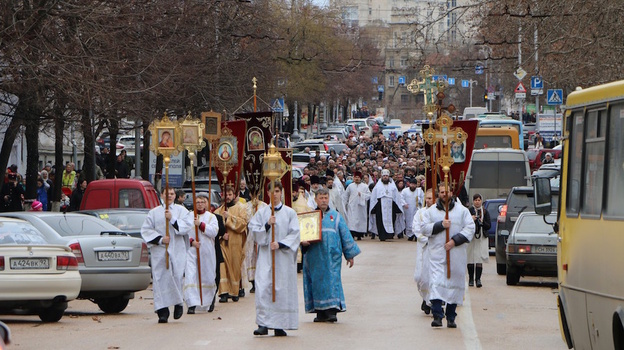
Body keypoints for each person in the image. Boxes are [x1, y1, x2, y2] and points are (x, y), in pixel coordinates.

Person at [248, 181, 300, 337]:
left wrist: (281, 244)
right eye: (272, 191)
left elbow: (295, 233)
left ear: (282, 192)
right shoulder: (262, 213)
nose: (275, 194)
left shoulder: (290, 213)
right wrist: (266, 226)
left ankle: (280, 325)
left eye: (277, 191)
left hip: (282, 258)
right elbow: (253, 231)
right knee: (264, 287)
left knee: (281, 290)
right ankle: (263, 323)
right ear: (268, 193)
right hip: (266, 257)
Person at [302, 188, 360, 323]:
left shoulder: (336, 216)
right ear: (316, 199)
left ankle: (332, 311)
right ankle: (320, 312)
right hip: (314, 257)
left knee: (332, 282)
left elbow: (345, 235)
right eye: (321, 198)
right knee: (316, 283)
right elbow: (302, 236)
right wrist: (303, 243)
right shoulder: (309, 217)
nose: (323, 200)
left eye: (325, 198)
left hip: (332, 257)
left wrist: (349, 254)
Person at [421, 183, 475, 328]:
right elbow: (424, 228)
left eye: (447, 192)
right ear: (438, 194)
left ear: (452, 193)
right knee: (436, 283)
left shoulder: (462, 211)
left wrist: (454, 241)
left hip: (456, 253)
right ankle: (437, 315)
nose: (444, 194)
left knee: (453, 284)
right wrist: (439, 225)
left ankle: (451, 316)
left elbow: (470, 228)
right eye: (442, 192)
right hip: (437, 254)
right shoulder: (431, 211)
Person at [141, 187, 194, 323]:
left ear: (175, 195)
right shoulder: (154, 213)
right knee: (160, 280)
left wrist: (172, 219)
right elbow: (146, 230)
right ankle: (162, 311)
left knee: (176, 276)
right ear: (162, 195)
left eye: (171, 194)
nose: (169, 196)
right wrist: (159, 239)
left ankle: (178, 303)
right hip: (160, 250)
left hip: (177, 249)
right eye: (166, 194)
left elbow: (187, 226)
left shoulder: (182, 211)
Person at [184, 193, 219, 314]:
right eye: (197, 202)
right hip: (192, 250)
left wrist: (201, 225)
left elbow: (214, 231)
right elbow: (184, 232)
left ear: (206, 203)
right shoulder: (188, 216)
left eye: (202, 202)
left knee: (207, 276)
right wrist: (192, 241)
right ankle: (192, 303)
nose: (200, 204)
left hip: (206, 251)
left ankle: (208, 301)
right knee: (190, 275)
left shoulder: (211, 217)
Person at [213, 185, 249, 302]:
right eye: (225, 195)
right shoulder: (218, 210)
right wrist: (221, 234)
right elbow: (214, 228)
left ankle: (234, 291)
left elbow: (243, 224)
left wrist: (229, 218)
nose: (227, 197)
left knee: (234, 266)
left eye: (230, 195)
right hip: (223, 243)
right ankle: (223, 292)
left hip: (236, 242)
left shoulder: (241, 208)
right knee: (222, 265)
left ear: (234, 195)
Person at [368, 169, 405, 241]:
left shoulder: (392, 186)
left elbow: (396, 197)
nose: (385, 177)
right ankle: (382, 236)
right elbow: (373, 198)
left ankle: (390, 235)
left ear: (388, 177)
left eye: (386, 176)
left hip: (391, 205)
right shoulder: (377, 186)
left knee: (391, 219)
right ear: (381, 177)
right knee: (380, 221)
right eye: (384, 176)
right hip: (380, 206)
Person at [413, 188, 434, 315]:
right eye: (427, 198)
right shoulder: (420, 213)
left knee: (433, 276)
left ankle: (431, 301)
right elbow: (416, 228)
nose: (428, 200)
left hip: (436, 249)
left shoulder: (439, 213)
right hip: (423, 248)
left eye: (431, 198)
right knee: (421, 277)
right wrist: (428, 239)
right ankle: (424, 298)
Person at [466, 193, 491, 288]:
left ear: (481, 201)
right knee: (471, 258)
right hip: (472, 238)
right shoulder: (469, 211)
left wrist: (482, 222)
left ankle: (478, 279)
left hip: (481, 237)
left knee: (479, 258)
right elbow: (464, 223)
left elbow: (489, 226)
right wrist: (471, 219)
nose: (477, 202)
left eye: (479, 200)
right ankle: (471, 279)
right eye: (475, 200)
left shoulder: (485, 211)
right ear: (473, 201)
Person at [342, 171, 370, 241]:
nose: (357, 179)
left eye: (358, 177)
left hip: (361, 207)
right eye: (355, 177)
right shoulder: (350, 186)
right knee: (352, 220)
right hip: (352, 206)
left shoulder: (365, 186)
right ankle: (352, 234)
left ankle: (359, 235)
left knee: (360, 220)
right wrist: (344, 204)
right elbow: (345, 196)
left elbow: (369, 195)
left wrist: (362, 195)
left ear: (360, 178)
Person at [401, 177, 424, 241]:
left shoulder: (419, 191)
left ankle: (416, 235)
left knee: (416, 222)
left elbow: (423, 198)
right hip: (408, 209)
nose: (413, 186)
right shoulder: (405, 191)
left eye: (414, 184)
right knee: (409, 222)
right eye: (412, 184)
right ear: (409, 184)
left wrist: (420, 201)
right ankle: (410, 235)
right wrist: (404, 204)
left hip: (417, 209)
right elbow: (401, 198)